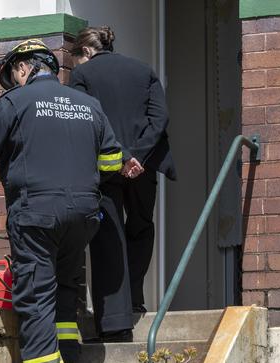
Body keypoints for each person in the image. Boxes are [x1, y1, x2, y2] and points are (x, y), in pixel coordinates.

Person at [0, 39, 140, 363]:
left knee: (35, 297)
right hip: (83, 217)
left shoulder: (15, 102)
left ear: (23, 67)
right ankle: (70, 358)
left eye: (14, 75)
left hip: (36, 216)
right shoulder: (88, 104)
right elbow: (110, 160)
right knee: (65, 293)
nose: (14, 82)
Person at [68, 26, 176, 342]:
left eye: (76, 59)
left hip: (106, 168)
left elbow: (90, 119)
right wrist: (138, 156)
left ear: (85, 52)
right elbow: (160, 118)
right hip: (143, 167)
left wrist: (124, 155)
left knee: (108, 237)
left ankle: (115, 320)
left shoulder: (83, 76)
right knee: (141, 229)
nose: (75, 66)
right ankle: (135, 298)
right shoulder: (144, 71)